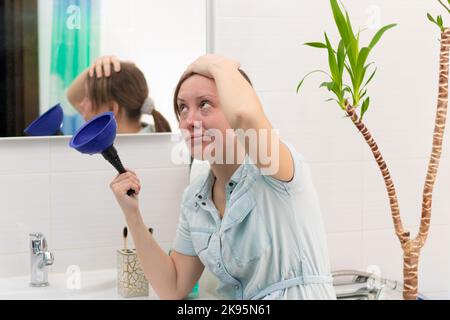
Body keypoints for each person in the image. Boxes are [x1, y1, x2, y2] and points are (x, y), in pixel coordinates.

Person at [109, 54, 336, 300]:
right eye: (183, 108)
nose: (189, 121)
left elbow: (245, 114)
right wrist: (132, 215)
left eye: (205, 104)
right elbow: (172, 287)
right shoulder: (195, 198)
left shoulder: (273, 167)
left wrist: (219, 66)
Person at [67, 55, 171, 133]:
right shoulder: (148, 138)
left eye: (88, 98)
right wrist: (96, 67)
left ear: (112, 108)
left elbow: (73, 98)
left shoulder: (136, 151)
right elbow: (72, 97)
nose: (81, 104)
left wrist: (96, 67)